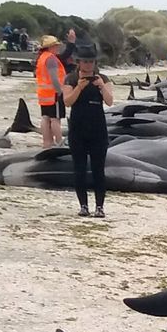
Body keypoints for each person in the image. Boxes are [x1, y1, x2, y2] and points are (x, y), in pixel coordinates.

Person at [61, 42, 113, 218]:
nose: (89, 64)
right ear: (79, 62)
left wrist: (101, 86)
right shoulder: (71, 79)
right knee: (79, 169)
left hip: (98, 129)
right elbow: (67, 101)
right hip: (78, 129)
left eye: (92, 61)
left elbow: (110, 101)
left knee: (99, 170)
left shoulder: (103, 78)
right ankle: (83, 205)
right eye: (85, 61)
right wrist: (79, 87)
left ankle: (100, 207)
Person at [35, 35, 68, 147]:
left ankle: (47, 142)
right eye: (55, 46)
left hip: (43, 93)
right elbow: (54, 77)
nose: (57, 48)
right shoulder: (51, 59)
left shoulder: (42, 57)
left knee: (45, 117)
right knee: (55, 119)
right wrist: (59, 90)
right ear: (50, 47)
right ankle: (59, 142)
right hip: (53, 93)